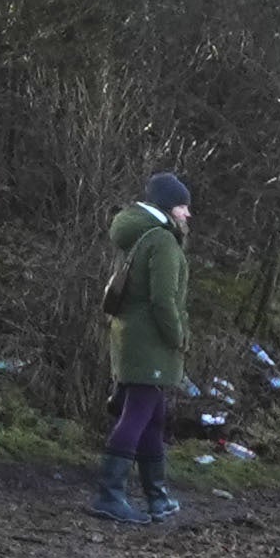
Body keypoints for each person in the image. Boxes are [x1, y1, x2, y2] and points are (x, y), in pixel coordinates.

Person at [95, 170, 198, 524]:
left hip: (130, 337)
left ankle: (157, 497)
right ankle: (110, 494)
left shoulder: (138, 235)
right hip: (150, 343)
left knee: (152, 418)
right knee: (137, 415)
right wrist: (179, 338)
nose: (187, 214)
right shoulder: (163, 242)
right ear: (169, 207)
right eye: (183, 206)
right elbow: (163, 300)